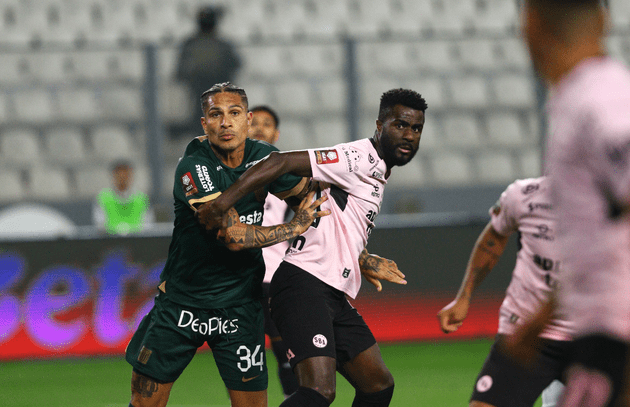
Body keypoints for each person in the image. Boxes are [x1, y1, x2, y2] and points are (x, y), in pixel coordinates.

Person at [125, 83, 402, 407]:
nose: (225, 122)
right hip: (183, 303)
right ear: (205, 123)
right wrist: (293, 226)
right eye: (216, 114)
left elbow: (316, 204)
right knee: (146, 403)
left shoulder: (263, 158)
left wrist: (360, 254)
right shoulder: (193, 165)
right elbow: (231, 236)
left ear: (247, 119)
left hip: (240, 304)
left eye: (234, 113)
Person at [195, 88, 425, 407]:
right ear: (379, 125)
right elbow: (280, 161)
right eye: (400, 125)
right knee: (318, 391)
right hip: (303, 285)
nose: (409, 135)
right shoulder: (357, 157)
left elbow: (337, 221)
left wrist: (364, 258)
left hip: (332, 292)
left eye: (416, 129)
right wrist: (223, 204)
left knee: (378, 385)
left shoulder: (377, 172)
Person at [504, 0, 630, 406]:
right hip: (600, 332)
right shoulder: (581, 97)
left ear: (530, 25)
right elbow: (605, 237)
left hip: (620, 340)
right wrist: (545, 315)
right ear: (603, 21)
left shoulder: (602, 100)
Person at [437, 176, 569, 407]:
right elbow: (494, 236)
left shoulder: (622, 202)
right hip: (525, 332)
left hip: (596, 336)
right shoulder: (524, 194)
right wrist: (464, 297)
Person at [247, 105, 299, 398]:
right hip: (238, 277)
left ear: (276, 134)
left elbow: (308, 215)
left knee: (285, 352)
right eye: (254, 122)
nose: (259, 128)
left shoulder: (284, 176)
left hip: (272, 276)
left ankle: (293, 400)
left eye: (267, 124)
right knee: (241, 356)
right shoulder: (227, 171)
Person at [176, 6, 242, 134]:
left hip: (208, 92)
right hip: (206, 92)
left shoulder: (192, 44)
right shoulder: (221, 45)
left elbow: (180, 72)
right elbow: (235, 65)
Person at [93, 161, 154, 235]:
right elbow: (100, 226)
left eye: (125, 174)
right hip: (111, 243)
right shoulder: (102, 198)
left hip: (137, 243)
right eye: (119, 174)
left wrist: (129, 232)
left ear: (131, 175)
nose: (122, 177)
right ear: (113, 176)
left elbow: (148, 226)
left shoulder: (142, 198)